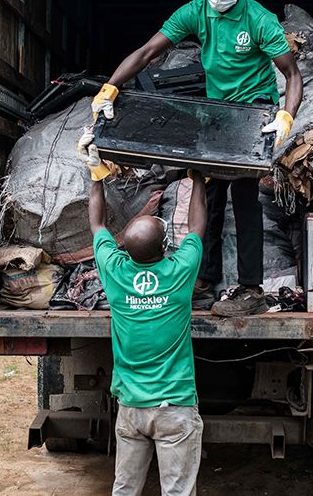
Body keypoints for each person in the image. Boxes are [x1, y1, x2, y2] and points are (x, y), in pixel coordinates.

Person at [90, 0, 303, 316]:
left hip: (253, 112)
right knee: (210, 194)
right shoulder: (196, 10)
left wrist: (286, 116)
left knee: (245, 197)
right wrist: (110, 88)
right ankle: (204, 282)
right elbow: (147, 53)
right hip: (217, 112)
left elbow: (292, 74)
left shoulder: (258, 19)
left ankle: (251, 289)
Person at [78, 128, 207, 496]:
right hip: (175, 407)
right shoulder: (179, 273)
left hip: (132, 407)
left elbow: (98, 224)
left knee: (124, 490)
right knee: (178, 492)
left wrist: (96, 174)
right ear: (167, 246)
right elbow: (197, 226)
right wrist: (197, 176)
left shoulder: (115, 274)